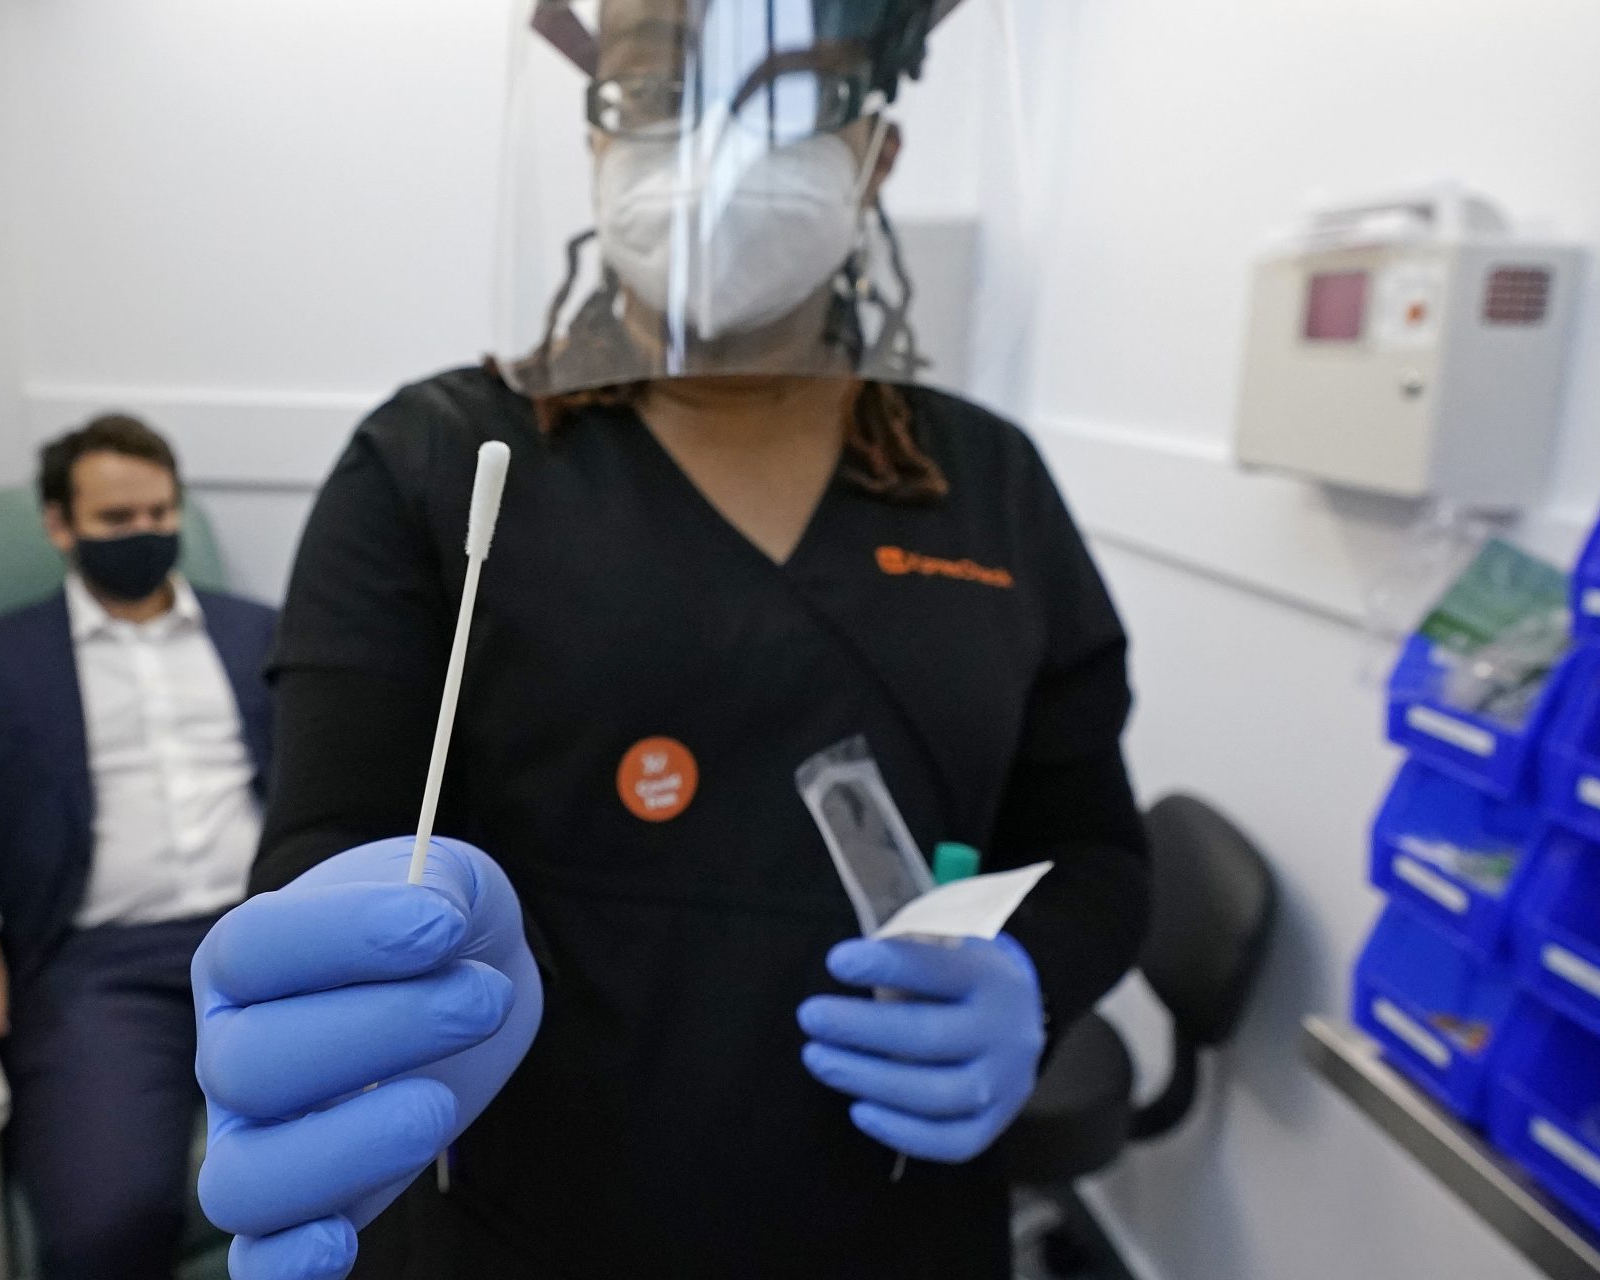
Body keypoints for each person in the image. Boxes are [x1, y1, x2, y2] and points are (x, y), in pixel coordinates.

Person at [192, 2, 1149, 1277]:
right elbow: (327, 837)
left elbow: (1095, 848)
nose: (713, 146)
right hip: (530, 1223)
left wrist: (1029, 973)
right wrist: (335, 986)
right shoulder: (435, 466)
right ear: (592, 145)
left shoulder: (991, 482)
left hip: (896, 1219)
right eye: (650, 96)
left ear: (876, 154)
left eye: (789, 98)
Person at [0, 415, 277, 1279]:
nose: (145, 535)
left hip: (267, 942)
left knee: (390, 1156)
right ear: (58, 525)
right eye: (115, 520)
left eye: (160, 513)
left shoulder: (260, 637)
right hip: (99, 969)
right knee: (109, 1224)